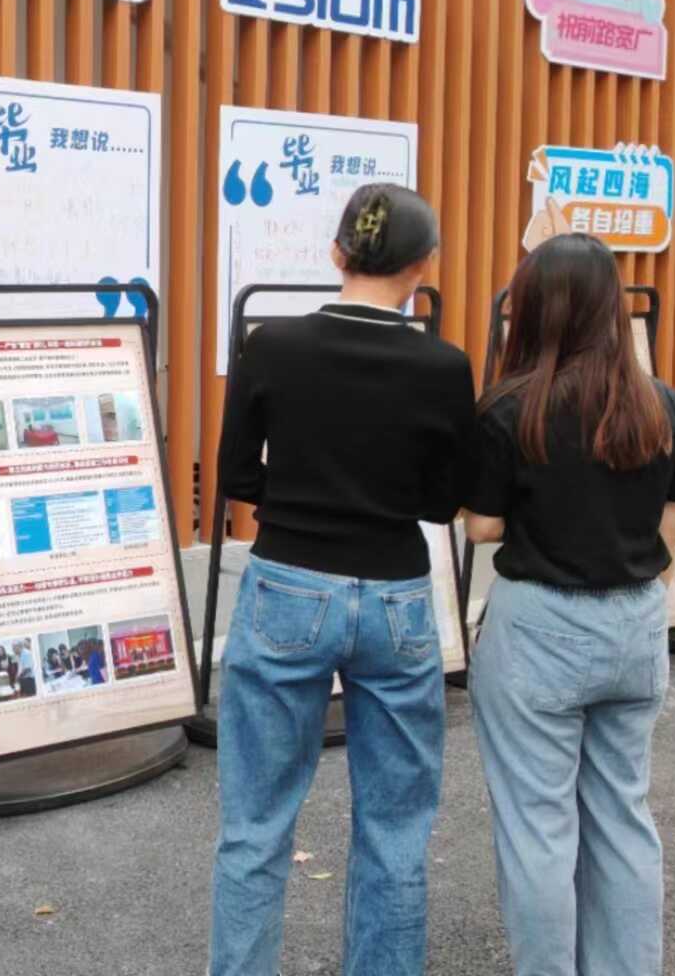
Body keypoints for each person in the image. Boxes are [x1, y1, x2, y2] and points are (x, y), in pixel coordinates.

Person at [209, 184, 476, 976]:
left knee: (254, 825)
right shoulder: (443, 366)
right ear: (426, 265)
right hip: (395, 594)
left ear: (335, 253)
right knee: (394, 830)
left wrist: (296, 498)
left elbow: (236, 476)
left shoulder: (271, 345)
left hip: (286, 583)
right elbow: (441, 500)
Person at [463, 233, 675, 976]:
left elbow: (483, 528)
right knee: (622, 817)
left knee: (537, 827)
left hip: (539, 625)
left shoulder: (508, 408)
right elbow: (669, 530)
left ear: (532, 310)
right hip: (636, 621)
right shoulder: (666, 408)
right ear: (612, 309)